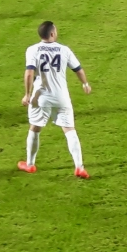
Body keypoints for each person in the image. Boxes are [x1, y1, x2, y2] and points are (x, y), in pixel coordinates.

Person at [17, 20, 91, 179]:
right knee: (70, 131)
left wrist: (27, 94)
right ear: (52, 34)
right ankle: (79, 167)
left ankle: (30, 165)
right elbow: (78, 69)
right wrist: (85, 83)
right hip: (62, 97)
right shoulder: (64, 50)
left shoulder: (32, 50)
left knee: (35, 128)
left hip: (41, 97)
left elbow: (29, 73)